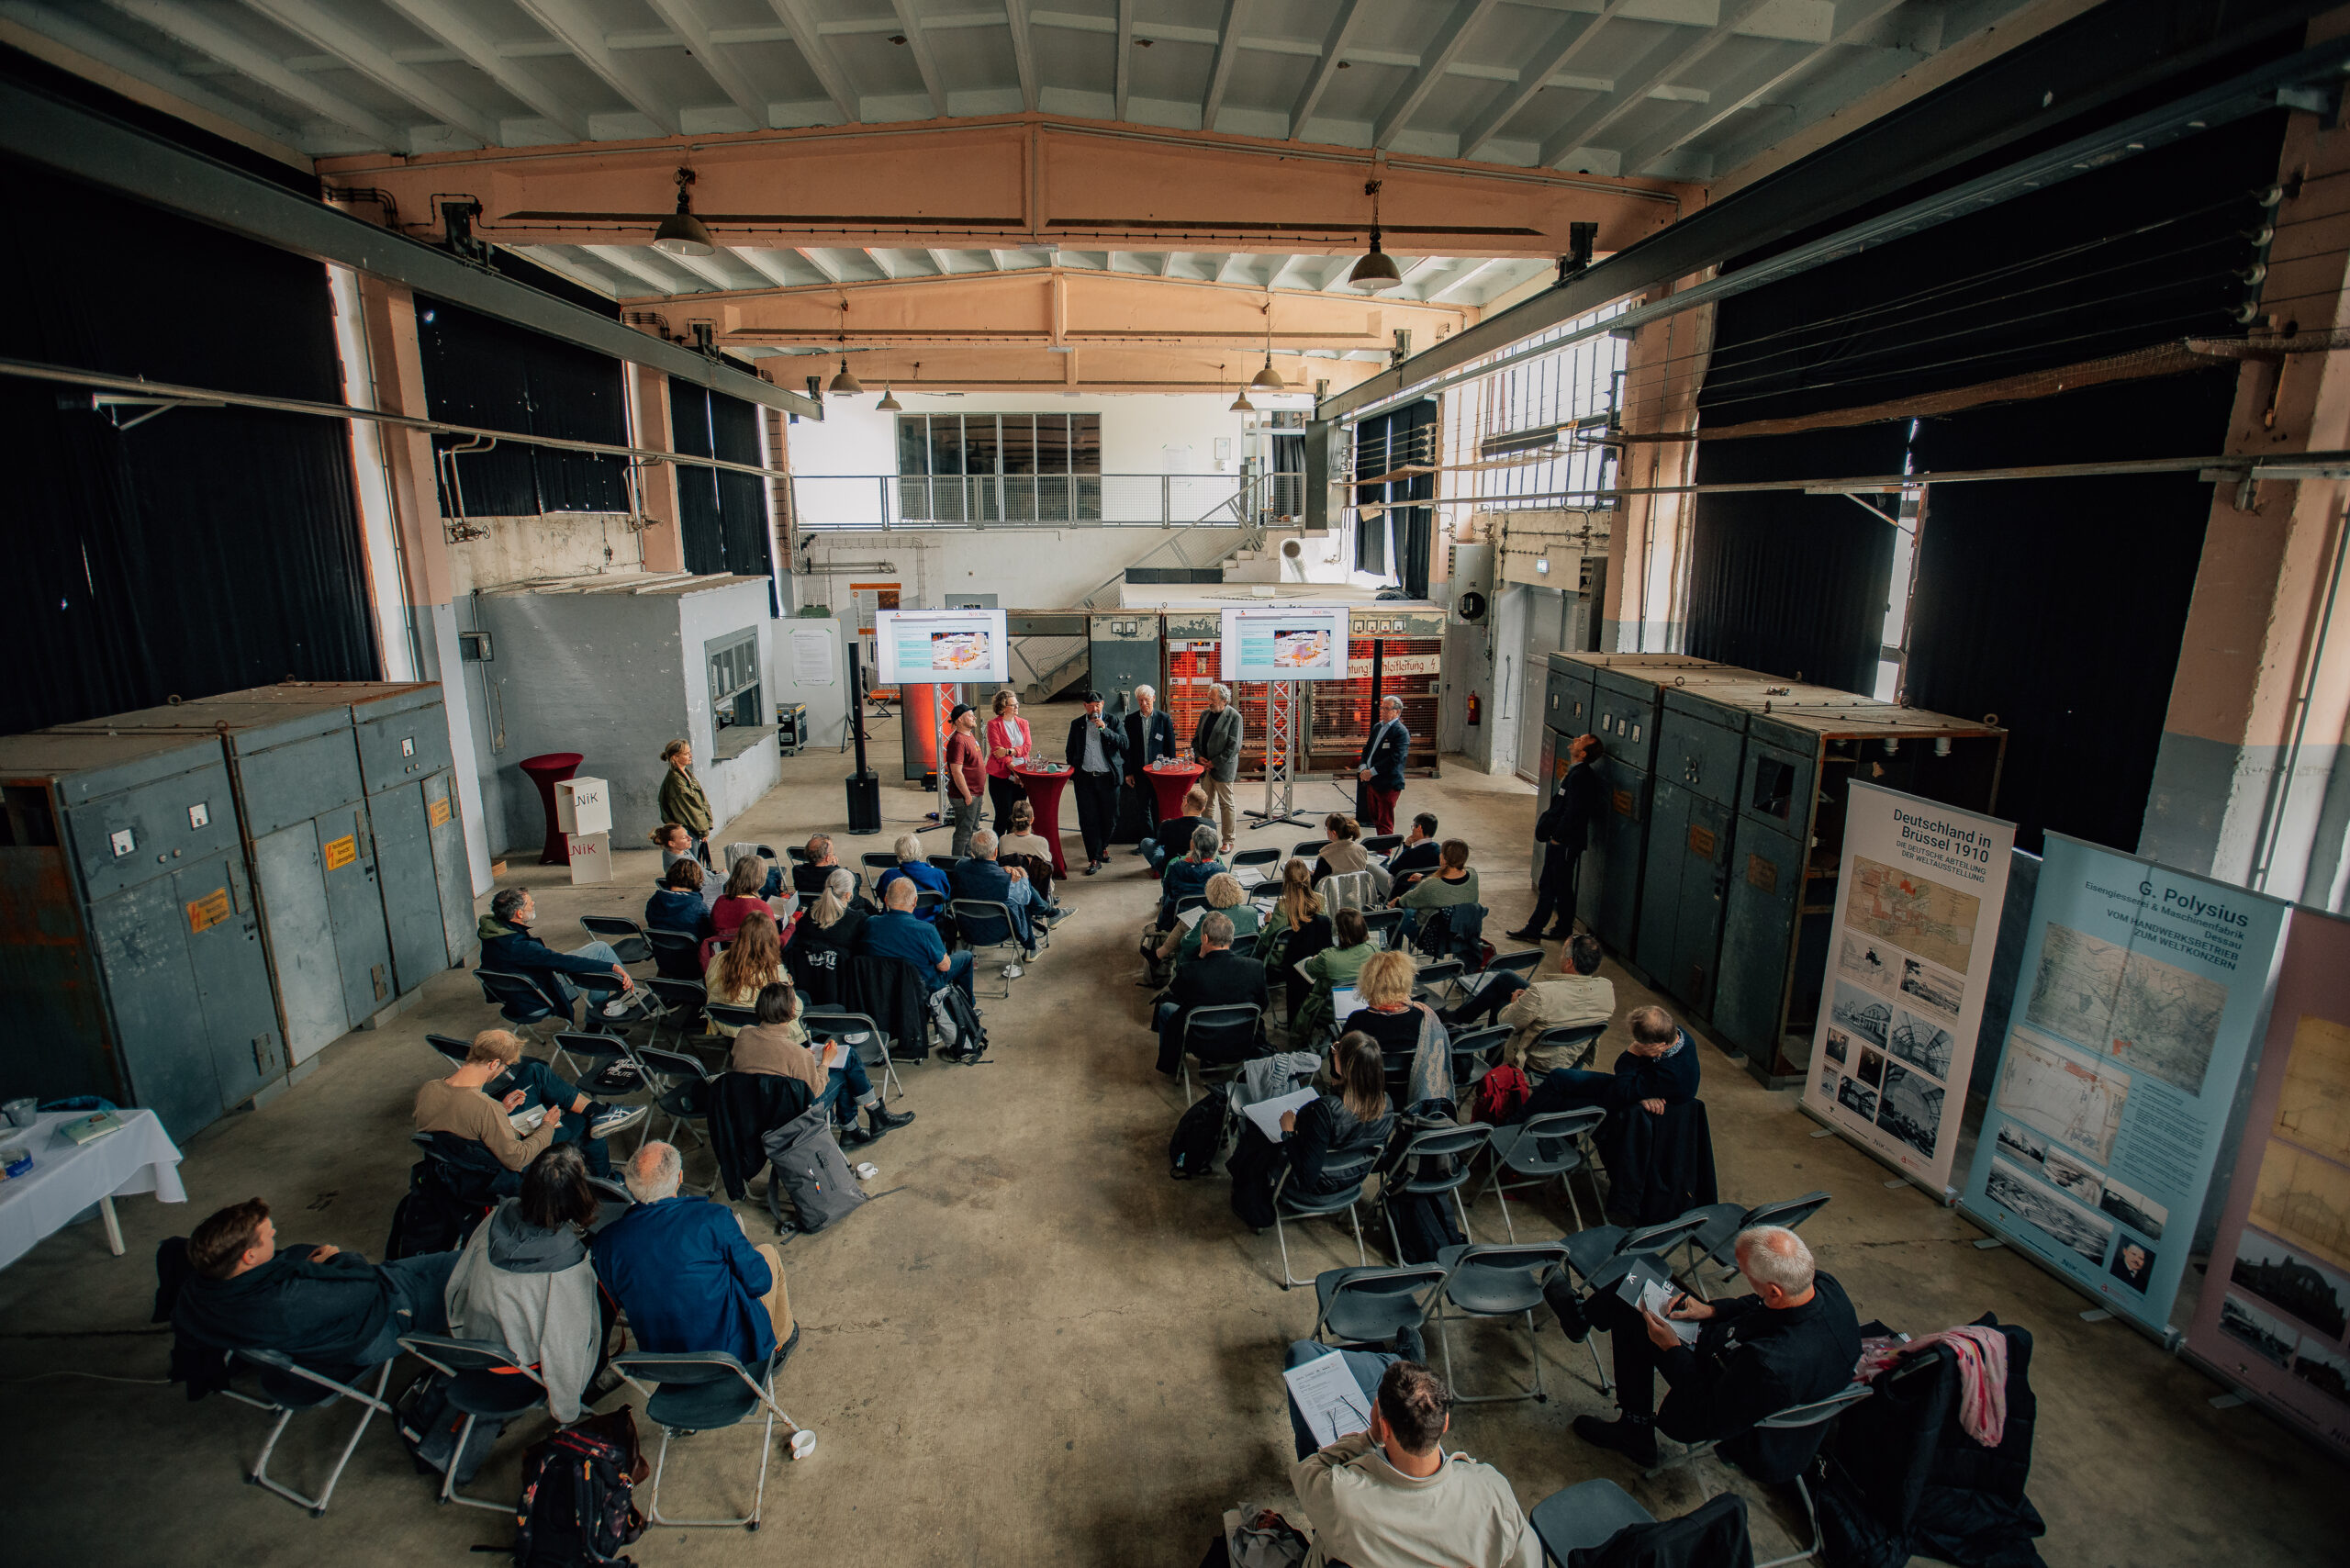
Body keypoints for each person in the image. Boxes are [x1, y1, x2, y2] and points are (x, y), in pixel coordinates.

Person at [1544, 1225, 1862, 1472]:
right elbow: (1758, 1303)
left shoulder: (1769, 1364)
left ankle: (1635, 1430)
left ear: (1775, 1291)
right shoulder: (1820, 1286)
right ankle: (1582, 1318)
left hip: (1721, 1397)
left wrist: (1671, 1348)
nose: (1746, 1280)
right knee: (1637, 1283)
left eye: (1748, 1276)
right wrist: (1711, 1310)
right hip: (1734, 1349)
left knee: (1635, 1313)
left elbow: (1706, 1408)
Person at [1281, 1352, 1540, 1568]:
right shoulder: (1492, 1492)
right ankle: (1405, 1353)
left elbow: (1308, 1470)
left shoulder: (1342, 1496)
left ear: (1384, 1428)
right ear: (1445, 1423)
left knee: (1302, 1353)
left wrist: (1368, 1439)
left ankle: (1401, 1354)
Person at [172, 1197, 463, 1370]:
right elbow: (366, 1287)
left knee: (456, 1260)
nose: (274, 1231)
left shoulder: (201, 1290)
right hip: (376, 1326)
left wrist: (310, 1270)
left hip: (344, 1311)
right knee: (470, 1277)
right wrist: (339, 1258)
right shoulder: (286, 1300)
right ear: (249, 1256)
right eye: (268, 1234)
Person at [592, 1143, 798, 1373]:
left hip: (664, 1368)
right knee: (768, 1254)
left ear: (629, 1185)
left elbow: (611, 1307)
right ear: (680, 1178)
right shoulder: (713, 1218)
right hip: (731, 1357)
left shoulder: (605, 1244)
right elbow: (759, 1282)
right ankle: (778, 1347)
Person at [442, 1145, 608, 1423]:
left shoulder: (495, 1219)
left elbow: (459, 1286)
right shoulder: (566, 1264)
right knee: (603, 1301)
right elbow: (564, 1346)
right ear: (579, 1195)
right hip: (519, 1374)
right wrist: (567, 1408)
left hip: (473, 1350)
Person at [415, 1026, 643, 1182]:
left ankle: (598, 1112)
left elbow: (463, 1118)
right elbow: (517, 1159)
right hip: (509, 1163)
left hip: (470, 1149)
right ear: (494, 1063)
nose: (505, 1071)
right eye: (505, 1067)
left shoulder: (430, 1088)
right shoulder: (485, 1107)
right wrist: (546, 1125)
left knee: (535, 1072)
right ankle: (607, 1181)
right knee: (584, 1125)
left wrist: (502, 1111)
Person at [1230, 1031, 1394, 1231]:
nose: (1332, 1052)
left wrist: (1288, 1131)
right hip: (1351, 1183)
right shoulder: (1386, 1104)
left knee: (1254, 1131)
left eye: (1335, 1050)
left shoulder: (1324, 1110)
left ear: (1343, 1067)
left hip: (1313, 1189)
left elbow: (1306, 1178)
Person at [731, 981, 912, 1147]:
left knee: (846, 1063)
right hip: (791, 1115)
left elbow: (766, 1057)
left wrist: (802, 1057)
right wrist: (825, 1061)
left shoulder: (744, 1034)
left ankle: (856, 1127)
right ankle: (867, 1118)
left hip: (752, 1108)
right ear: (792, 1011)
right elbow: (815, 1089)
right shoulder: (795, 1054)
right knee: (845, 1065)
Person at [1443, 933, 1616, 1074]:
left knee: (1503, 999)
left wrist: (1513, 1004)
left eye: (1563, 953)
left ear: (1569, 962)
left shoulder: (1542, 993)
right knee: (1506, 978)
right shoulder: (1606, 989)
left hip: (1538, 1058)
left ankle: (1490, 1062)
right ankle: (1459, 1018)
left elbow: (1505, 1022)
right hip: (1572, 1054)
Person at [476, 888, 639, 1024]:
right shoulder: (520, 947)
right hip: (538, 997)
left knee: (599, 949)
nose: (533, 904)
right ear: (519, 913)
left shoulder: (492, 933)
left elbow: (547, 959)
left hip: (516, 994)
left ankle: (609, 1011)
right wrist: (612, 967)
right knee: (602, 962)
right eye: (529, 903)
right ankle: (621, 1008)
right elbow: (563, 962)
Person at [1523, 1003, 1697, 1120]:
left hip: (1622, 1107)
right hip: (1629, 1087)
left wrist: (1633, 1053)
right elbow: (1627, 1081)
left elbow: (1623, 1091)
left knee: (1558, 1101)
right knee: (1558, 1077)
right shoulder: (1677, 1035)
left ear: (1654, 1045)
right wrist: (1642, 1093)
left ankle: (1514, 1128)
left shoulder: (1672, 1073)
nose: (1635, 1045)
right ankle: (1518, 1120)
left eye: (1639, 1043)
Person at [1154, 910, 1270, 1076]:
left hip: (1201, 1043)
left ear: (1205, 938)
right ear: (1231, 938)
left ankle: (1172, 1065)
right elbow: (1262, 1006)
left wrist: (1200, 960)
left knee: (1166, 1009)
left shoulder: (1190, 970)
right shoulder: (1255, 968)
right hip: (1242, 1038)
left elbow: (1177, 996)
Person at [1515, 732, 1605, 942]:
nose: (1574, 740)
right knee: (1562, 886)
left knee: (1549, 885)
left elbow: (1574, 812)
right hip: (1566, 840)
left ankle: (1534, 929)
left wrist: (1558, 837)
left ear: (1582, 753)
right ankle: (1563, 928)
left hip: (1564, 842)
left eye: (1580, 740)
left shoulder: (1581, 776)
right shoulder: (1576, 773)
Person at [866, 875, 975, 1002]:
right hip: (923, 985)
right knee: (966, 957)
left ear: (885, 899)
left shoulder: (870, 924)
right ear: (915, 901)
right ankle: (967, 1008)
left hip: (883, 982)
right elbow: (944, 967)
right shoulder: (925, 930)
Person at [951, 827, 1046, 959]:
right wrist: (1023, 876)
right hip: (1001, 931)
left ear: (972, 852)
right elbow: (1025, 899)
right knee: (1020, 904)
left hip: (967, 930)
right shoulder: (1006, 880)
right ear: (996, 852)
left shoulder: (960, 867)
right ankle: (1031, 946)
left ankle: (1047, 910)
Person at [1292, 907, 1379, 1045]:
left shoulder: (1328, 956)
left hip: (1331, 1008)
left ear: (1340, 933)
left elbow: (1309, 969)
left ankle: (1299, 1041)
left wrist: (1315, 959)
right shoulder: (1373, 949)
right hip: (1366, 1001)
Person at [1259, 859, 1334, 1019]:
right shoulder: (1319, 899)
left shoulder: (1282, 906)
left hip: (1284, 959)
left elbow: (1269, 939)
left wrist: (1266, 925)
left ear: (1286, 880)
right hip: (1314, 954)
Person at [1065, 689, 1125, 875]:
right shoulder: (1077, 725)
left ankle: (1102, 846)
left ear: (1103, 705)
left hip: (1108, 778)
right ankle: (1094, 857)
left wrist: (1105, 730)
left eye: (1097, 705)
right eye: (1090, 706)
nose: (1094, 709)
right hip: (1085, 779)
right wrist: (1075, 772)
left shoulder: (1113, 721)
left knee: (1110, 817)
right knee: (1088, 820)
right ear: (1085, 706)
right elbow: (1070, 751)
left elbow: (1124, 743)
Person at [1157, 871, 1259, 976]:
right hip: (1241, 960)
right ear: (1238, 891)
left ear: (1211, 894)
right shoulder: (1252, 912)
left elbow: (1188, 946)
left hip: (1207, 965)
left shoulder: (1209, 918)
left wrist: (1188, 932)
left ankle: (1160, 957)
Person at [704, 912, 787, 1037]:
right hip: (758, 1030)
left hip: (724, 1023)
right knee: (803, 999)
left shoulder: (717, 959)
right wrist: (788, 985)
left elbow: (710, 986)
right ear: (770, 938)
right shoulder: (772, 970)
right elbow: (785, 1008)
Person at [790, 868, 868, 995]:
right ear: (849, 895)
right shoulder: (859, 921)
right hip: (843, 990)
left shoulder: (806, 918)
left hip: (805, 988)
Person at [1393, 838, 1479, 950]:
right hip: (1462, 935)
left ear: (1444, 859)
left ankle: (1394, 951)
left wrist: (1396, 902)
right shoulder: (1473, 875)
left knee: (1397, 911)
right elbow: (1449, 886)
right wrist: (1424, 878)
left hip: (1432, 937)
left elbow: (1404, 901)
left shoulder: (1431, 886)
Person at [1122, 682, 1177, 846]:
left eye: (1146, 700)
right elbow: (1127, 749)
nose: (1143, 704)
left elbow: (1170, 748)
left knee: (1158, 807)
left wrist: (1170, 772)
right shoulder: (1130, 720)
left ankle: (1161, 841)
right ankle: (1148, 842)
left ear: (1153, 698)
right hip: (1140, 773)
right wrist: (1129, 772)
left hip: (1159, 774)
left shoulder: (1164, 719)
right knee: (1143, 809)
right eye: (1140, 701)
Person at [1192, 681, 1245, 848]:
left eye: (1213, 699)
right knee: (1206, 805)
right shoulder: (1204, 715)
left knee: (1226, 804)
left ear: (1224, 700)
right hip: (1205, 768)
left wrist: (1214, 763)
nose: (1210, 702)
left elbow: (1234, 746)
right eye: (1209, 698)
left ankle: (1228, 840)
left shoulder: (1234, 717)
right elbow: (1196, 740)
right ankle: (1208, 840)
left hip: (1222, 769)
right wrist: (1199, 757)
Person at [1355, 694, 1411, 836]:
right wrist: (1363, 767)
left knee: (1385, 819)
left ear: (1397, 712)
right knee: (1374, 816)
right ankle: (1379, 845)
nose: (1383, 711)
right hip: (1372, 781)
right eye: (1382, 708)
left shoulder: (1400, 732)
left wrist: (1372, 771)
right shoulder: (1378, 727)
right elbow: (1368, 749)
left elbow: (1395, 759)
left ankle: (1384, 851)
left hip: (1388, 782)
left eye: (1387, 709)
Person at [1158, 823, 1227, 930]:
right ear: (1214, 848)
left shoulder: (1174, 866)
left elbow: (1166, 892)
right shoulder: (1221, 870)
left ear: (1192, 845)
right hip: (1212, 921)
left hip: (1178, 919)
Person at [1312, 814, 1393, 902]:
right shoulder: (1362, 850)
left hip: (1333, 901)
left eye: (1326, 829)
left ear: (1333, 833)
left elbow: (1315, 886)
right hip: (1358, 898)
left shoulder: (1325, 856)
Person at [712, 855, 788, 947]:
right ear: (760, 879)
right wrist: (791, 926)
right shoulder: (761, 907)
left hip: (726, 956)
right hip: (755, 957)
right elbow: (775, 943)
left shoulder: (720, 901)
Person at [983, 689, 1033, 829]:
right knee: (1003, 815)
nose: (1017, 707)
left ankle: (1014, 847)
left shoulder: (1023, 723)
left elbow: (1027, 747)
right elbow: (997, 752)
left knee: (1018, 815)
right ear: (1003, 707)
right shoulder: (993, 725)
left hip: (1022, 773)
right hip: (1001, 776)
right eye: (1013, 705)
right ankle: (998, 849)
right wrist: (1013, 768)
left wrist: (1009, 751)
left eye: (1017, 704)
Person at [657, 740, 713, 862]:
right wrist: (703, 830)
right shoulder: (676, 781)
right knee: (690, 865)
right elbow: (690, 809)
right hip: (689, 829)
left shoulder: (686, 774)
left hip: (694, 828)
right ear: (676, 757)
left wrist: (707, 824)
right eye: (686, 753)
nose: (690, 756)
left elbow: (701, 801)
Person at [876, 833, 950, 923]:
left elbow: (882, 897)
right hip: (930, 921)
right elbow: (946, 896)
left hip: (896, 922)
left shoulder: (889, 875)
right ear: (919, 850)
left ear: (897, 852)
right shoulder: (938, 874)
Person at [945, 702, 987, 857]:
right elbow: (956, 772)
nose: (974, 717)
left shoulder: (969, 736)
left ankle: (968, 860)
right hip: (966, 796)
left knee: (973, 829)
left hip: (976, 793)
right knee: (964, 832)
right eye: (970, 715)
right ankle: (957, 864)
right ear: (959, 720)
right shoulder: (958, 741)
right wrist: (967, 795)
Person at [1143, 785, 1213, 876]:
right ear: (1203, 809)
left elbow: (1159, 843)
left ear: (1185, 803)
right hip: (1199, 867)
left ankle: (1160, 871)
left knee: (1146, 842)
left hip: (1172, 868)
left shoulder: (1168, 825)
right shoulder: (1211, 825)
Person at [651, 823, 722, 911]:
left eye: (688, 835)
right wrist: (724, 875)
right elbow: (706, 885)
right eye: (684, 837)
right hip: (704, 891)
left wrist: (713, 874)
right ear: (672, 843)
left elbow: (702, 870)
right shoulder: (682, 863)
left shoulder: (678, 851)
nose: (690, 838)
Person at [997, 800, 1058, 902]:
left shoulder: (1004, 840)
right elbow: (1047, 867)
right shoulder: (1042, 842)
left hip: (1013, 889)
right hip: (1038, 891)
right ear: (1032, 820)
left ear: (1013, 819)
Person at [646, 857, 715, 942]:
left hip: (661, 949)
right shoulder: (699, 907)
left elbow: (650, 921)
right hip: (690, 951)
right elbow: (709, 933)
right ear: (697, 879)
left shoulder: (655, 900)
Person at [1387, 812, 1443, 888]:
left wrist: (1407, 848)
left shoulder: (1411, 853)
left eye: (1413, 826)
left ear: (1419, 828)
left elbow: (1391, 869)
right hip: (1425, 888)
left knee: (1372, 867)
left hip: (1400, 890)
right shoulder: (1439, 850)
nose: (1412, 830)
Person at [790, 834, 845, 901]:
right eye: (832, 853)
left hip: (808, 903)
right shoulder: (838, 874)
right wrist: (836, 866)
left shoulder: (797, 870)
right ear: (827, 858)